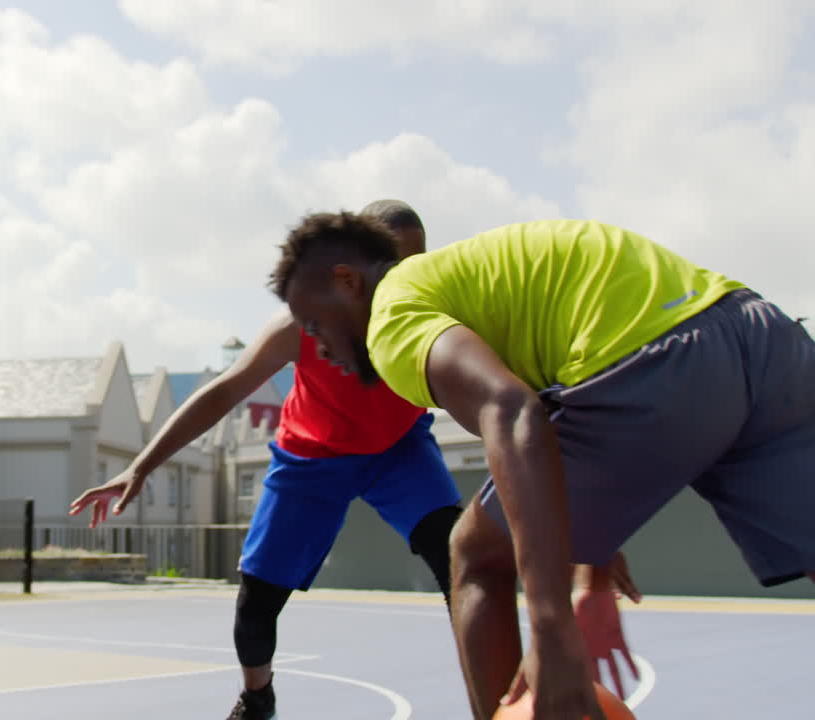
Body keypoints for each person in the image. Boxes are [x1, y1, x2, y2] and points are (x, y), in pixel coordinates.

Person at [268, 213, 815, 720]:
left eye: (314, 324)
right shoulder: (474, 277)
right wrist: (593, 564)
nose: (319, 347)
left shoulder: (393, 316)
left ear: (348, 282)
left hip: (660, 363)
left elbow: (512, 413)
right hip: (765, 338)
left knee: (477, 555)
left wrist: (552, 627)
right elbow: (558, 433)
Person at [71, 200, 465, 720]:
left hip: (399, 448)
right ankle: (257, 698)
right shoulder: (301, 325)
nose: (401, 281)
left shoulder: (434, 309)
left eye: (414, 266)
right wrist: (139, 466)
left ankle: (498, 694)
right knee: (256, 604)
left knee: (463, 561)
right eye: (388, 268)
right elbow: (224, 391)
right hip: (312, 459)